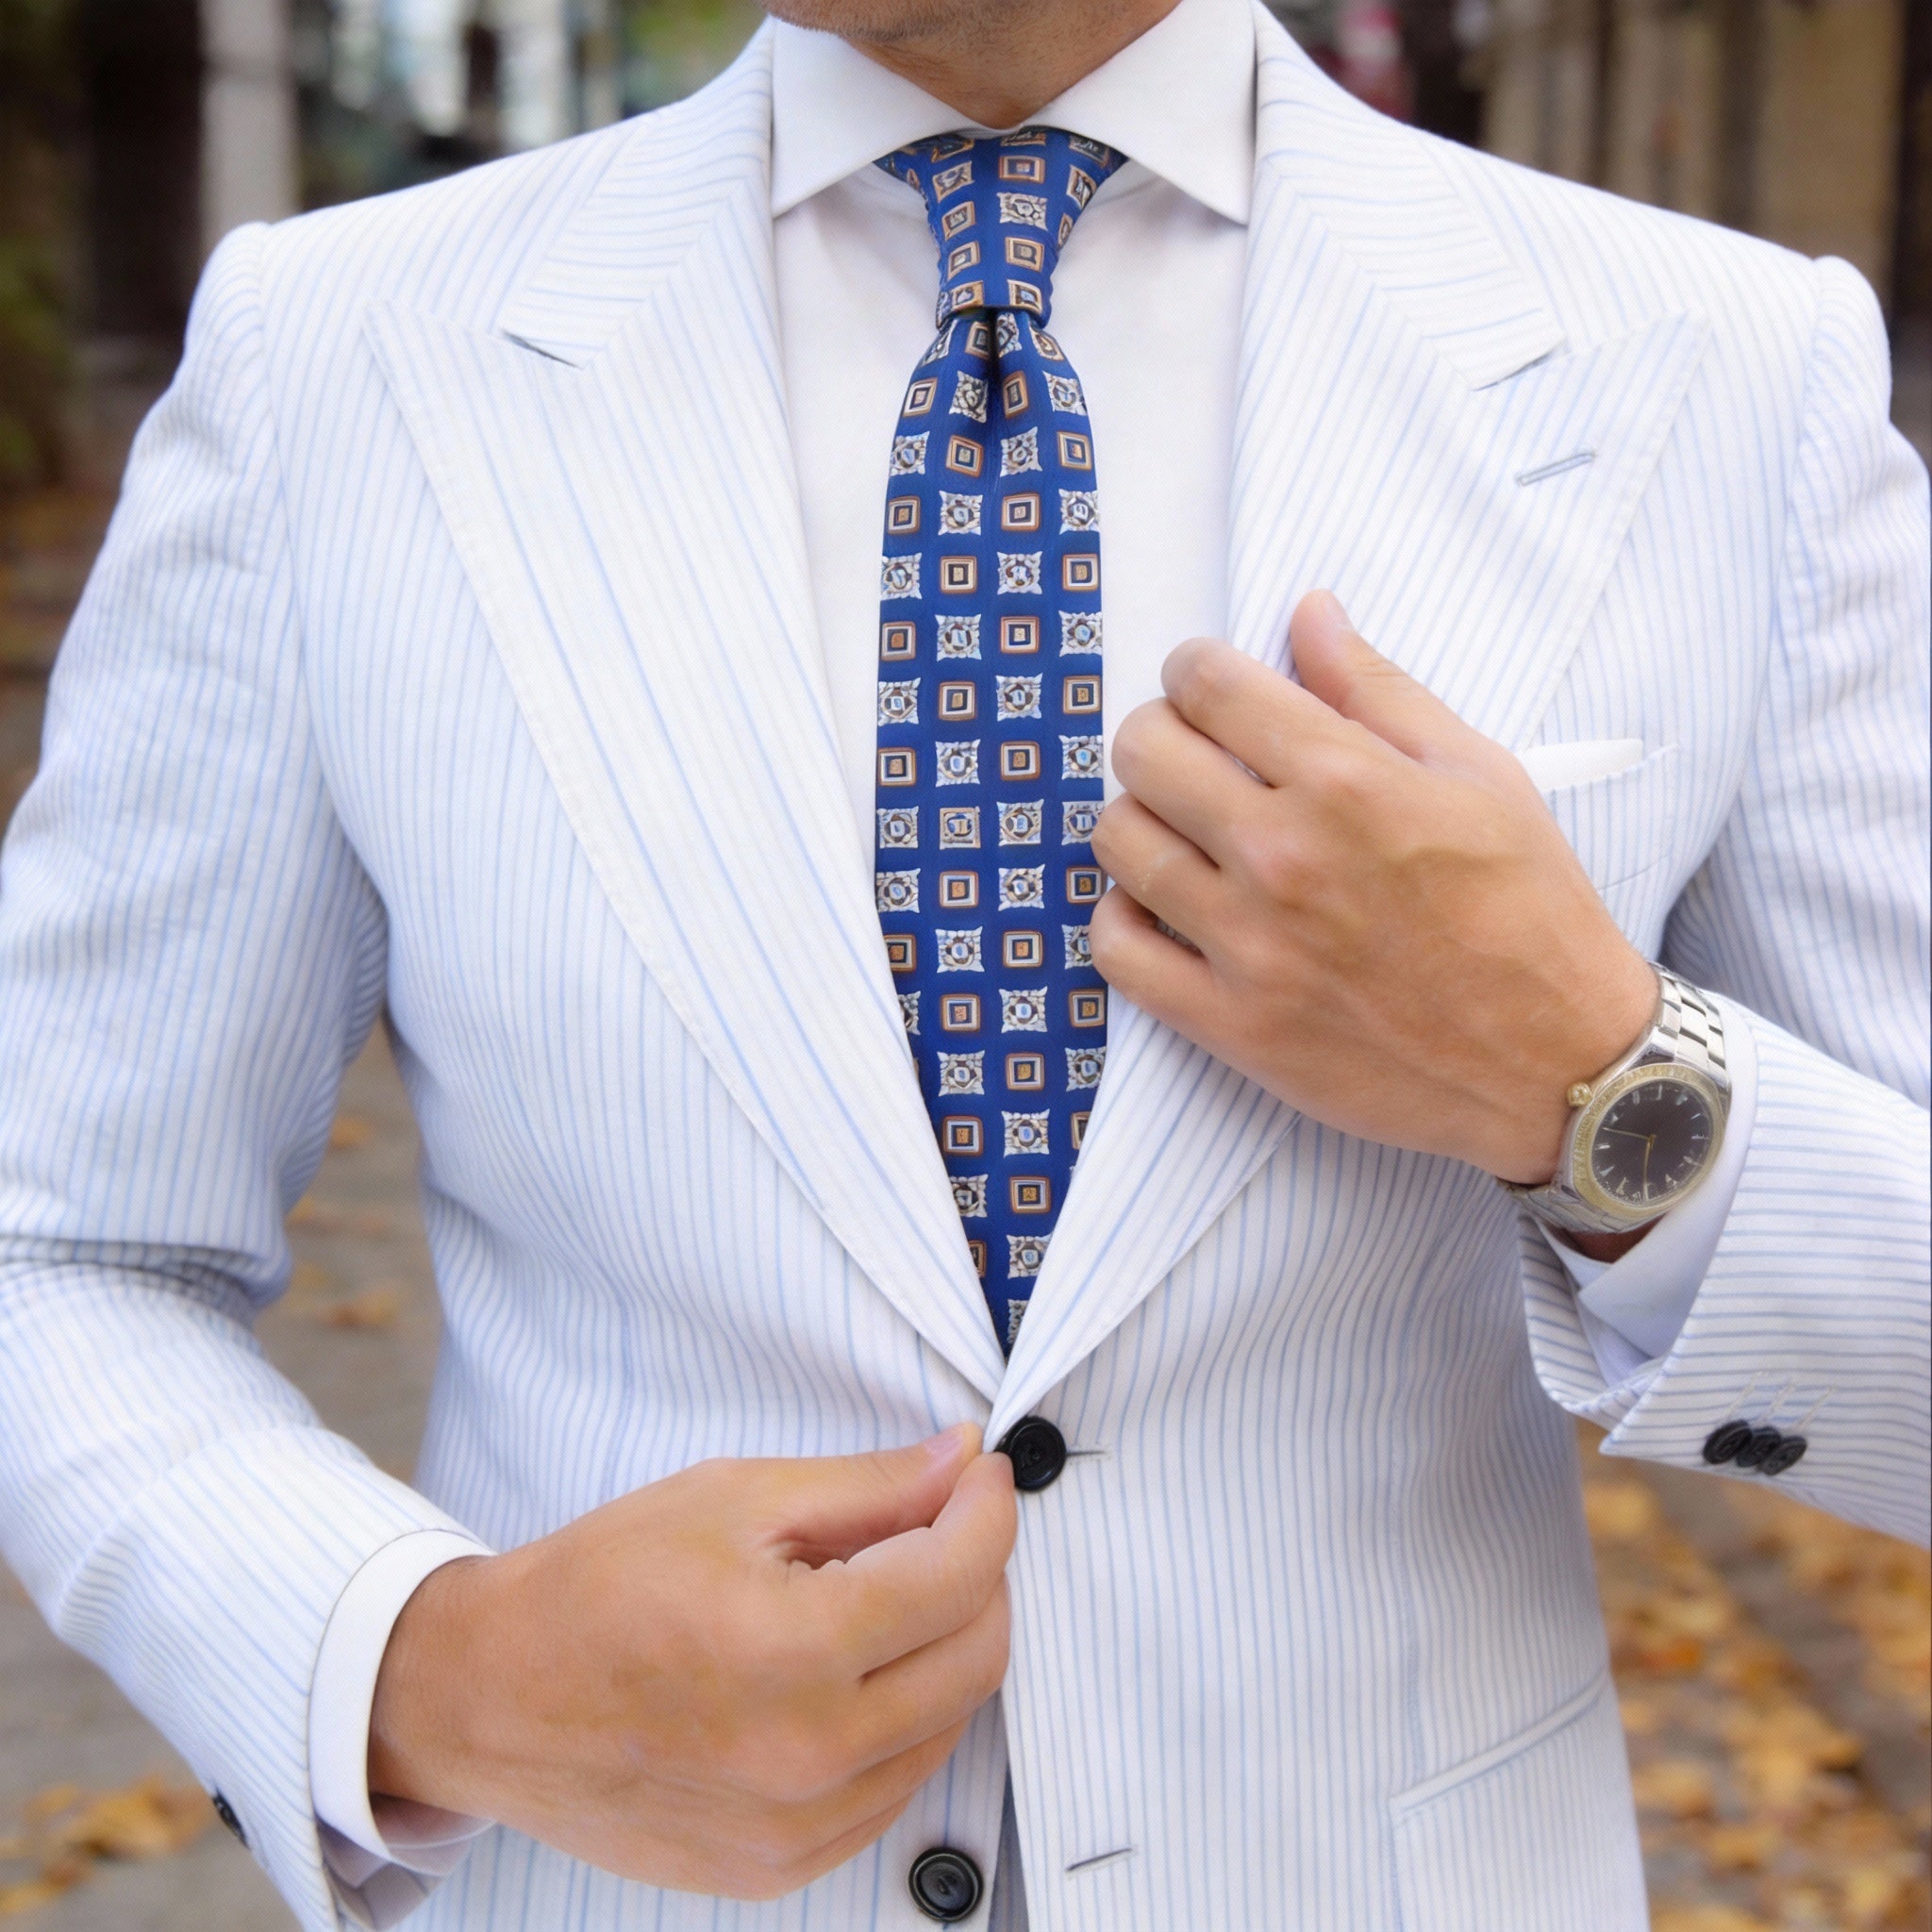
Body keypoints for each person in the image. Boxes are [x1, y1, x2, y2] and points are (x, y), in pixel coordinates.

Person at [0, 0, 1924, 1923]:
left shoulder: (1728, 376)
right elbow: (62, 1244)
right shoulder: (332, 358)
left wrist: (1590, 1080)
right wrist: (421, 1666)